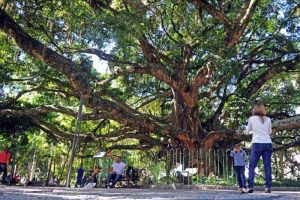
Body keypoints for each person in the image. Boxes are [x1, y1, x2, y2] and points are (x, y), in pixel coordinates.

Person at [246, 103, 272, 193]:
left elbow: (247, 131)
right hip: (268, 143)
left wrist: (253, 132)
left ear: (255, 109)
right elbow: (270, 132)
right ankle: (267, 187)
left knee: (252, 166)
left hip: (257, 143)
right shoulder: (268, 119)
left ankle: (250, 187)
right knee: (267, 166)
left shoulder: (251, 119)